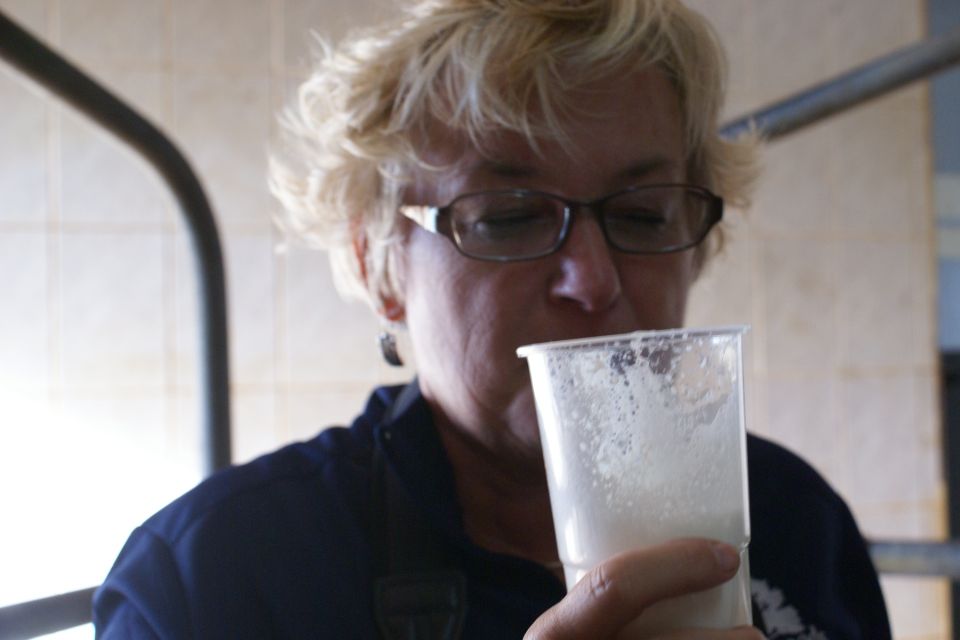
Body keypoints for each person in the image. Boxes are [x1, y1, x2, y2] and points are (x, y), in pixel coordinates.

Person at [93, 1, 891, 638]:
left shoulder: (795, 524)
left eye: (645, 215)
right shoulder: (214, 583)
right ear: (380, 266)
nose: (594, 279)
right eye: (508, 215)